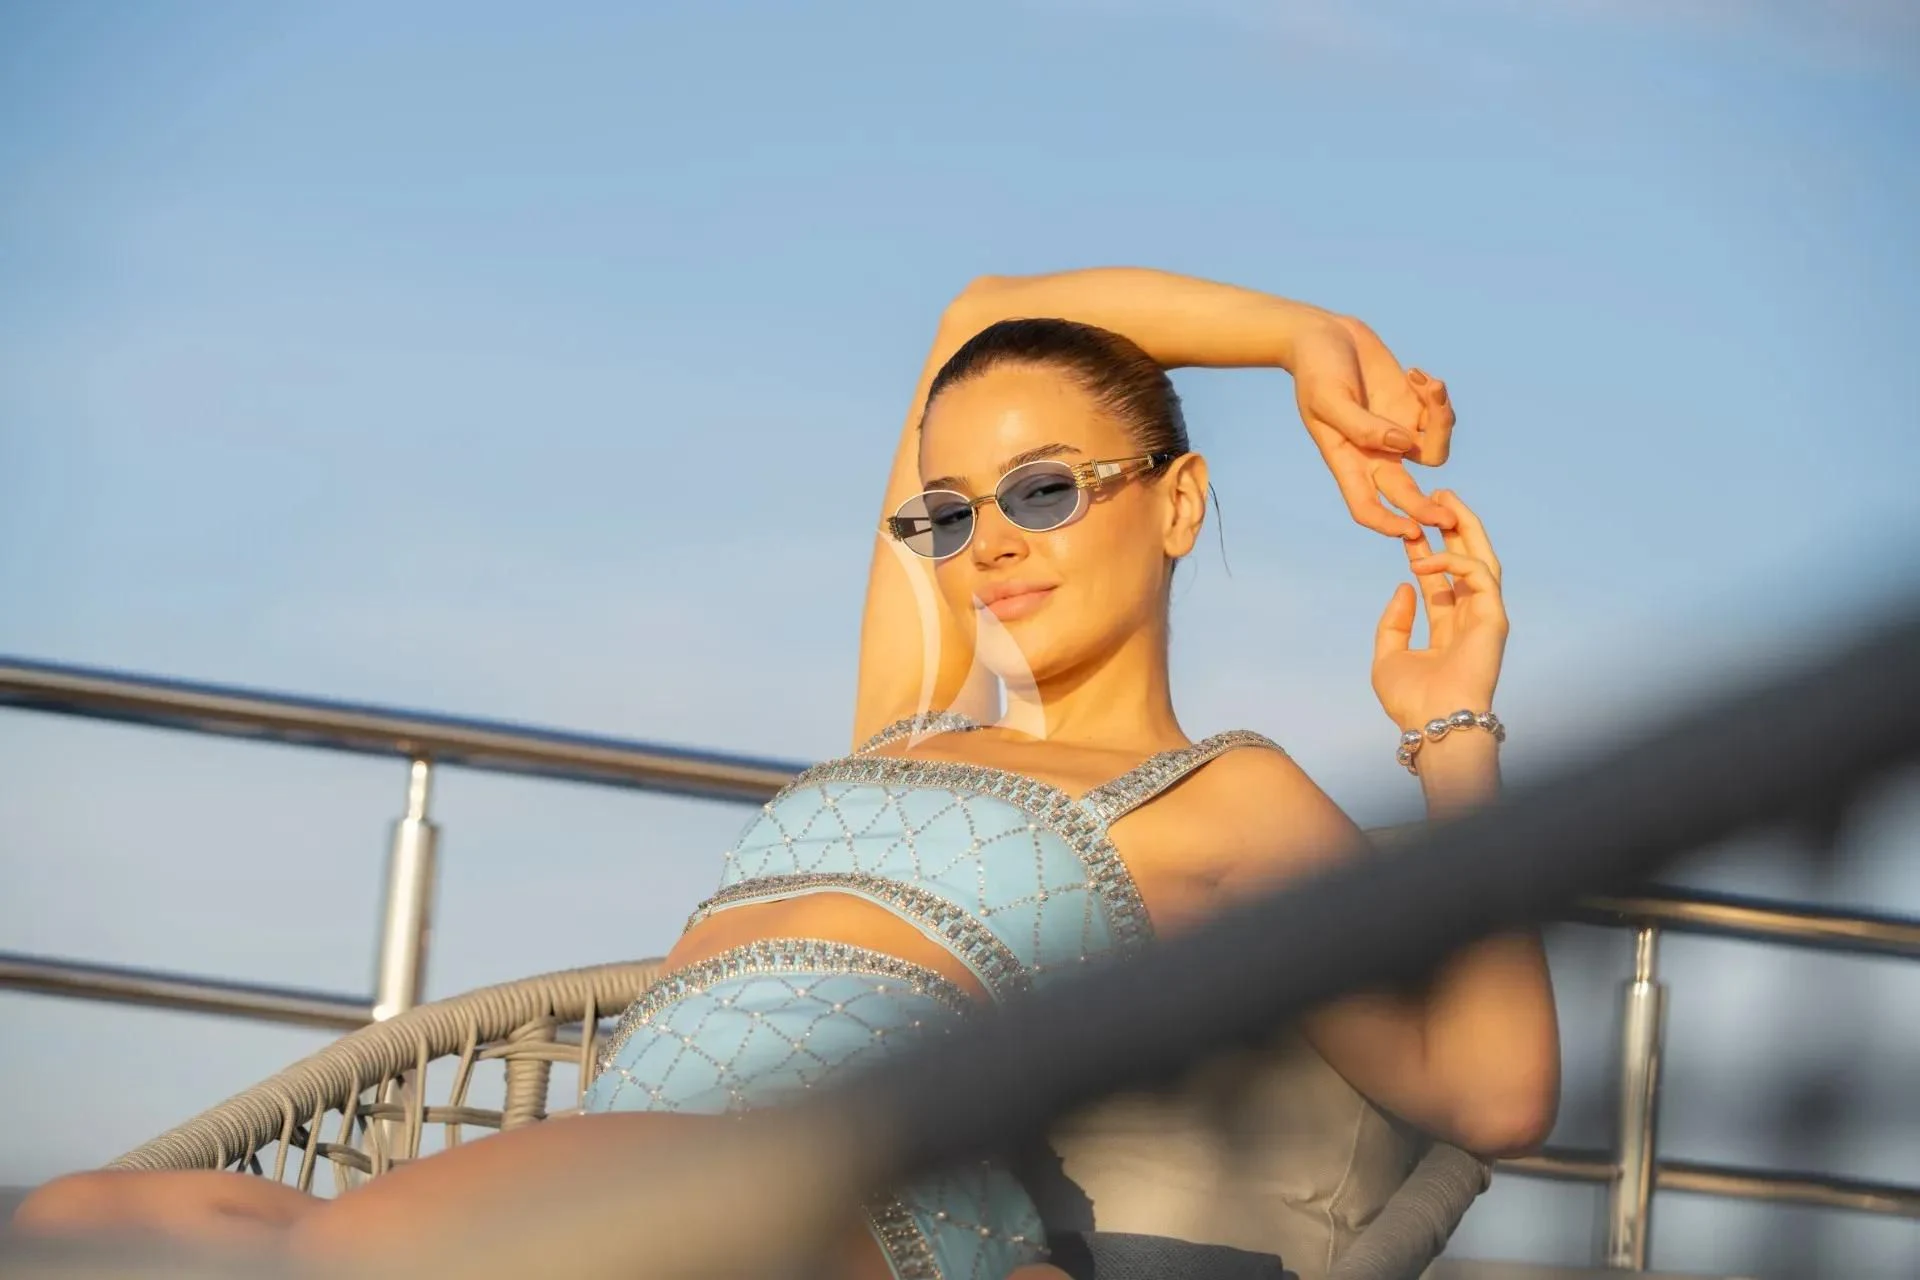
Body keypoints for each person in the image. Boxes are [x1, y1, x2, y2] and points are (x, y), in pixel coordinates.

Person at [13, 268, 1559, 1279]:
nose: (989, 541)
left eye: (1044, 488)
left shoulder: (1224, 794)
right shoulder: (918, 702)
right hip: (637, 1188)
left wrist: (1451, 730)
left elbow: (1494, 1096)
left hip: (848, 1192)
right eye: (949, 511)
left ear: (1177, 502)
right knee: (97, 1223)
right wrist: (1300, 336)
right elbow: (987, 308)